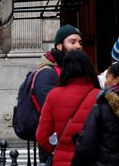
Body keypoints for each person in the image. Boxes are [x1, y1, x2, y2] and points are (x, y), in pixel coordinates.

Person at [36, 50, 100, 166]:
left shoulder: (53, 95)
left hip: (61, 160)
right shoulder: (99, 96)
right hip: (91, 160)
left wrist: (56, 148)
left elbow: (42, 136)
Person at [32, 24, 83, 164]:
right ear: (59, 45)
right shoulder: (47, 73)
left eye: (80, 42)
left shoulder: (71, 71)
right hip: (55, 149)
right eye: (72, 42)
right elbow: (50, 113)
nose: (78, 46)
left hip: (71, 146)